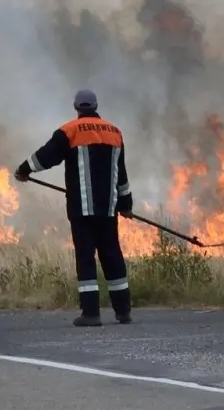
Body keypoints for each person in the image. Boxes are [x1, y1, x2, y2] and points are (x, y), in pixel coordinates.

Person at [14, 89, 134, 327]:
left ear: (77, 107)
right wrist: (126, 205)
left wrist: (24, 169)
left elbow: (45, 157)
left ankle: (91, 314)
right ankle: (123, 312)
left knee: (86, 257)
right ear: (96, 106)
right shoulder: (115, 133)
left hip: (82, 208)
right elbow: (122, 175)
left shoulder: (69, 131)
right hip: (108, 208)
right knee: (112, 256)